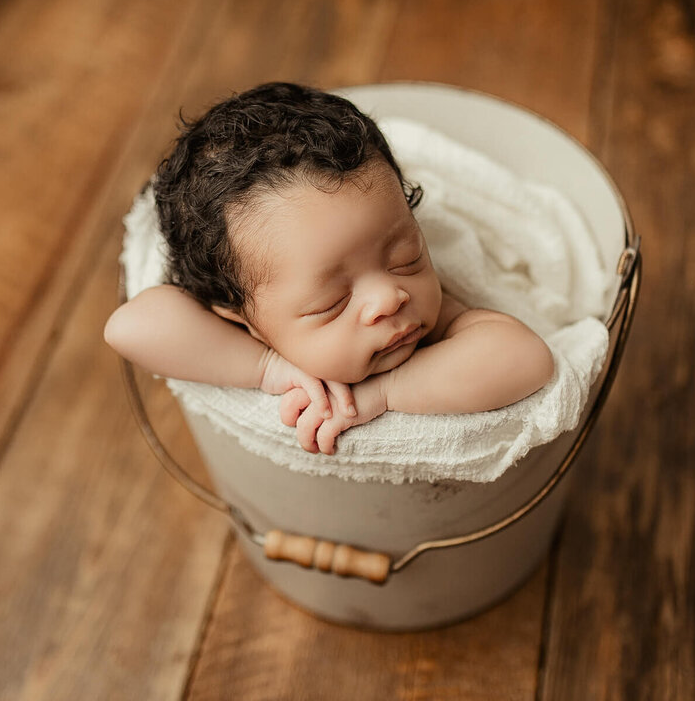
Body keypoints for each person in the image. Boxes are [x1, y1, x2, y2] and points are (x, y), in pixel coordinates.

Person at [104, 82, 554, 455]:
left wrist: (382, 393)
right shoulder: (249, 326)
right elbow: (130, 327)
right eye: (332, 302)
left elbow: (524, 357)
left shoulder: (428, 322)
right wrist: (267, 368)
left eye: (406, 256)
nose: (388, 297)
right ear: (244, 319)